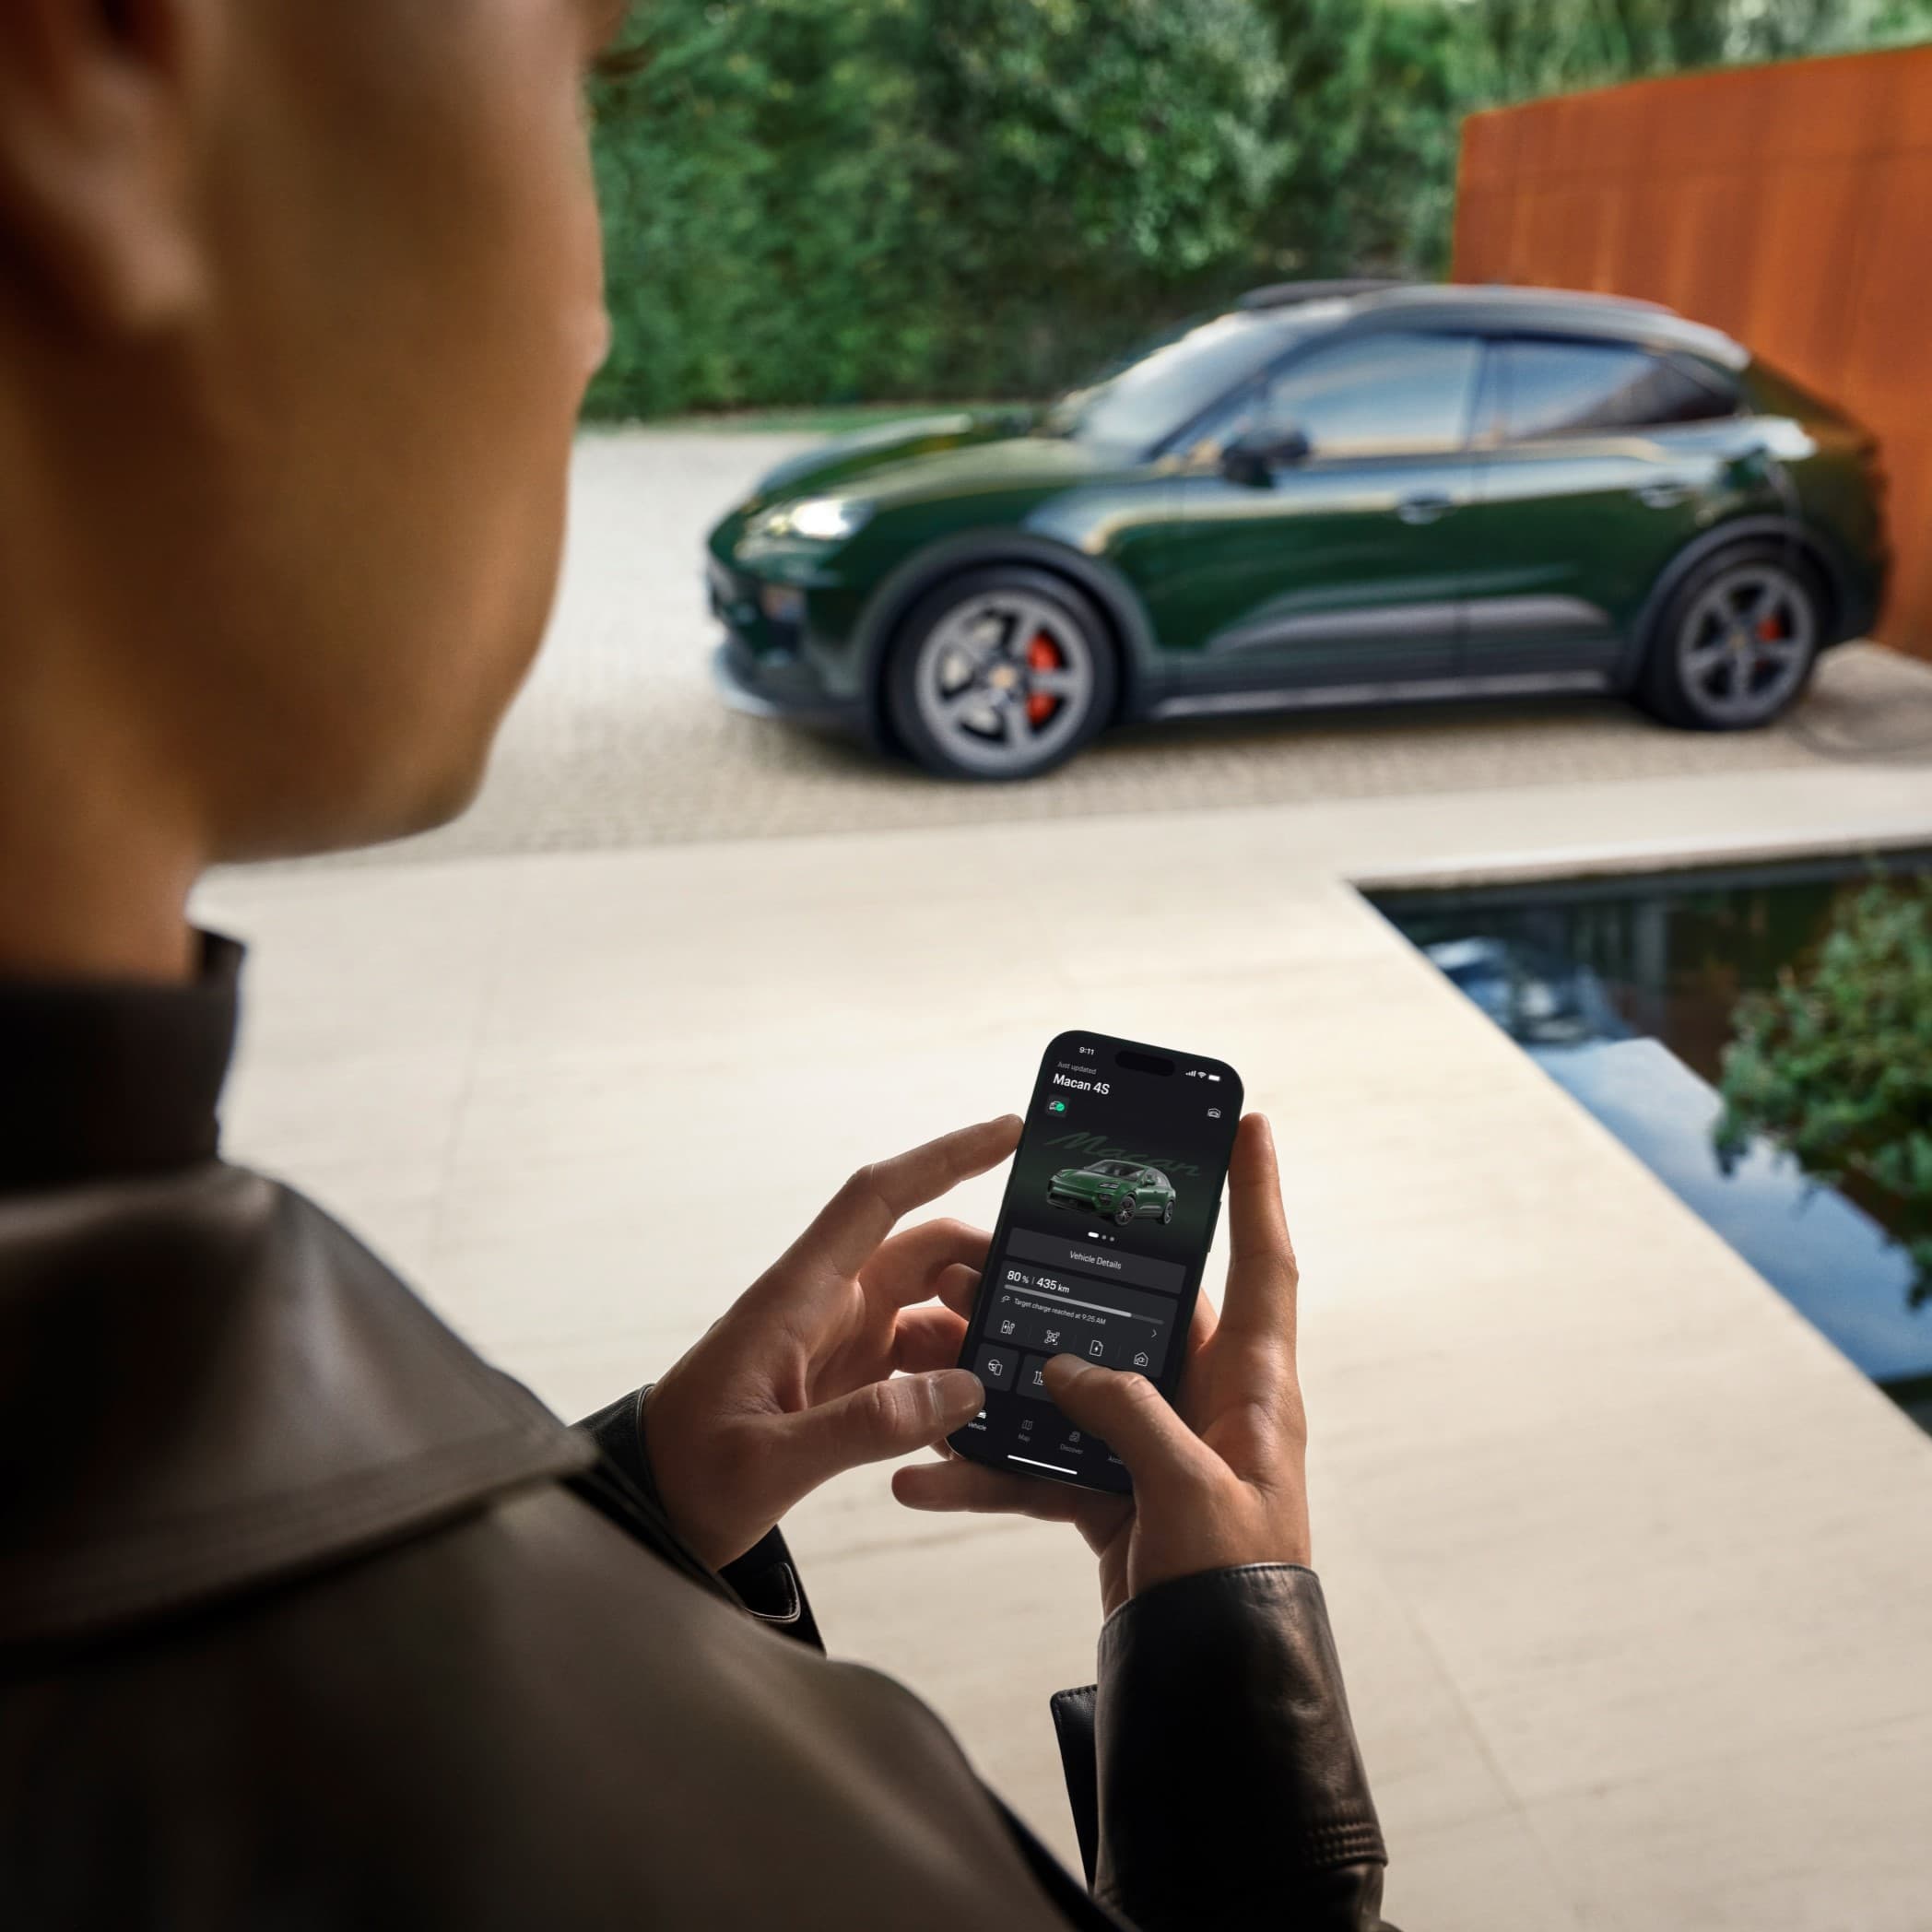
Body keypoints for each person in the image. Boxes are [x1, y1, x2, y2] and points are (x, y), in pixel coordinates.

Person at [0, 2, 1396, 1926]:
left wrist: (644, 1505)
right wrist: (1245, 1702)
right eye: (593, 66)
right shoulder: (741, 1851)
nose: (588, 316)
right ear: (90, 68)